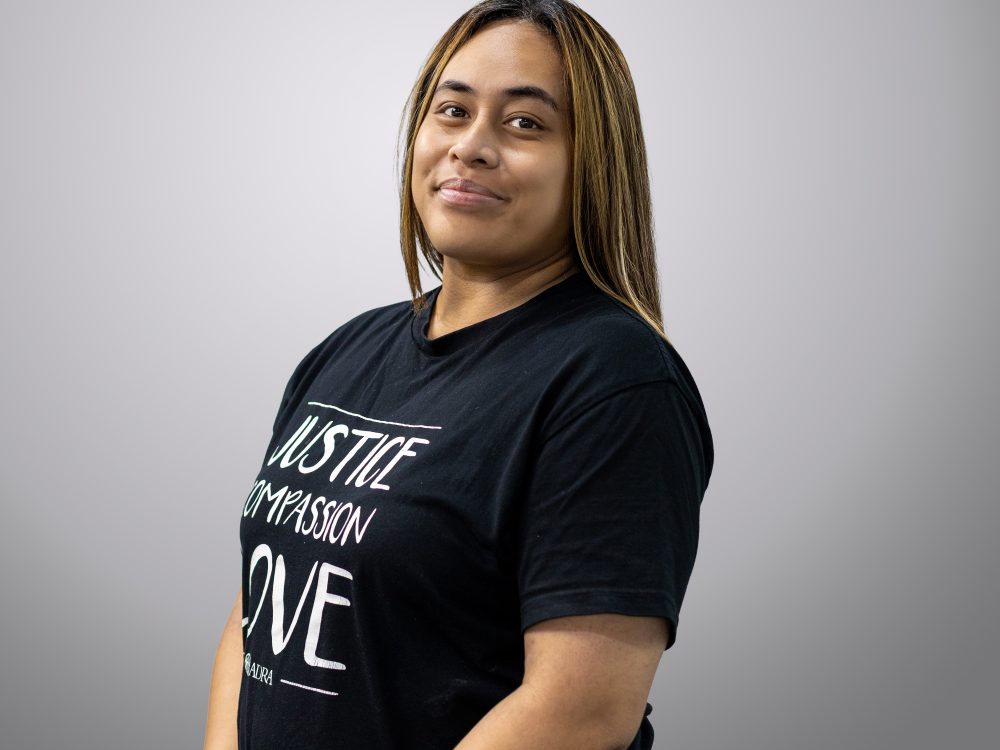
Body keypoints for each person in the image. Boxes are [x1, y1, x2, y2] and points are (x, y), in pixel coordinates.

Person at [202, 1, 714, 748]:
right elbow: (257, 615)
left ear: (592, 165)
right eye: (453, 110)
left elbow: (581, 710)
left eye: (525, 123)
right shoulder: (346, 352)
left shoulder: (614, 381)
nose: (471, 147)